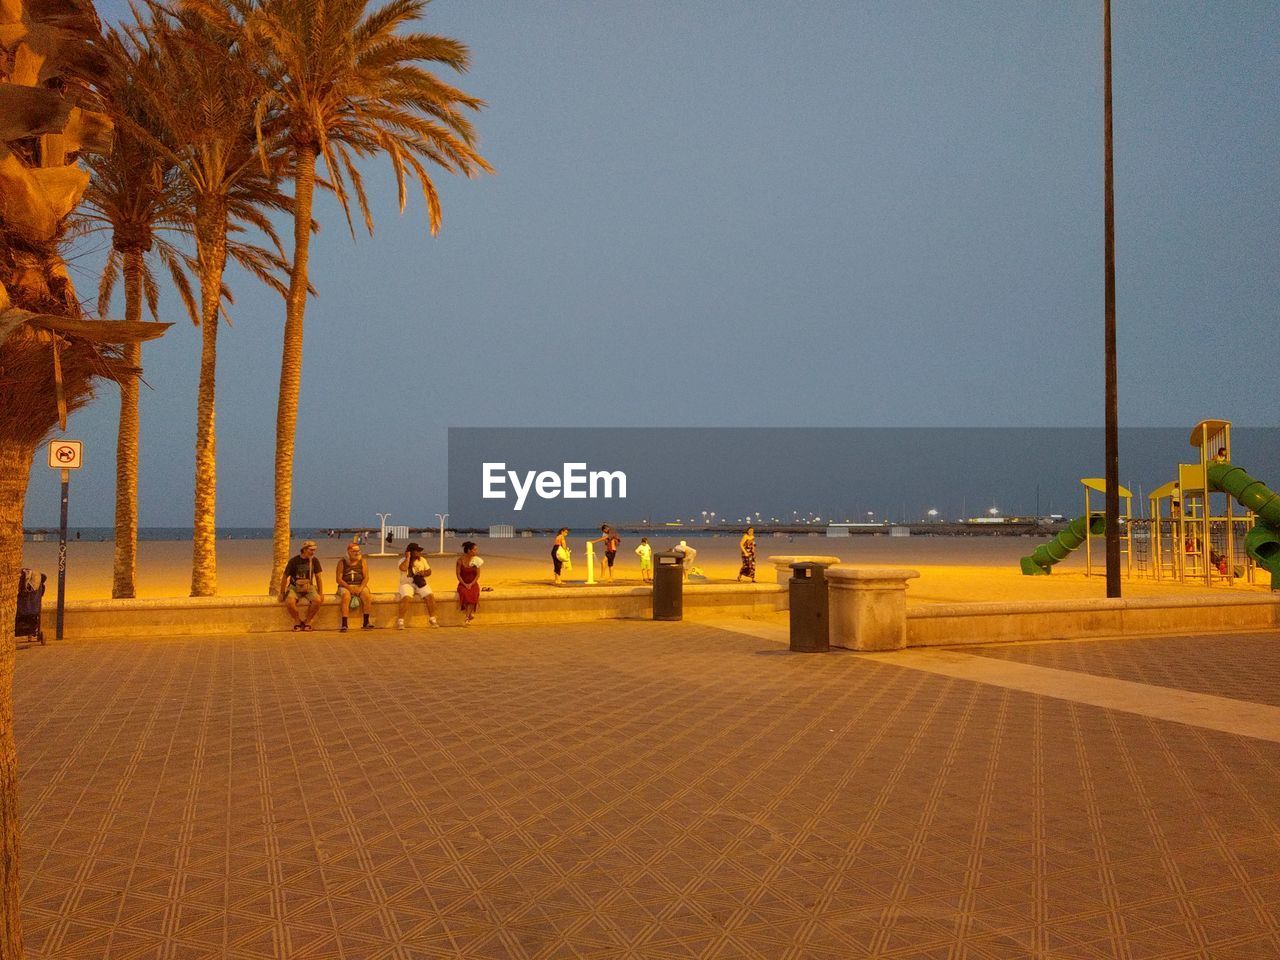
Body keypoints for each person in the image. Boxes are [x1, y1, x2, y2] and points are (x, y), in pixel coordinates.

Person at [279, 540, 324, 631]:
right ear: (304, 549)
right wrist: (282, 592)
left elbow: (318, 577)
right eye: (311, 550)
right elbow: (284, 577)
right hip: (294, 587)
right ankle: (297, 621)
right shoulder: (294, 561)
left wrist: (321, 593)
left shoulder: (314, 561)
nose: (313, 552)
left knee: (317, 601)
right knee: (290, 602)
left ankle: (308, 621)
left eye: (314, 550)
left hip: (309, 587)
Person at [397, 542, 438, 629]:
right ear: (411, 552)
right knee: (406, 597)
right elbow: (403, 568)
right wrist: (408, 558)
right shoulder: (402, 561)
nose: (419, 553)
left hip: (419, 582)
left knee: (430, 596)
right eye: (417, 551)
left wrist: (423, 573)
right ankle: (400, 620)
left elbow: (429, 571)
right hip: (407, 583)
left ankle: (432, 618)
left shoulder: (422, 560)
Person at [336, 541, 376, 631]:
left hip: (359, 585)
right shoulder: (342, 562)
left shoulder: (363, 562)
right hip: (345, 586)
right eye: (354, 551)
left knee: (367, 596)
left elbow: (366, 577)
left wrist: (360, 588)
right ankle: (344, 624)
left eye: (358, 551)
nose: (357, 553)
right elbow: (338, 579)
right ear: (349, 552)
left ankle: (366, 622)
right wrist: (349, 588)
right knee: (346, 596)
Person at [457, 541, 481, 624]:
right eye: (474, 550)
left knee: (473, 594)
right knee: (464, 593)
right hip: (463, 583)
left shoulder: (477, 561)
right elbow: (458, 575)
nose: (476, 551)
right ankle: (469, 615)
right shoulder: (460, 561)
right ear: (468, 551)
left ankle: (467, 617)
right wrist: (464, 584)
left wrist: (471, 584)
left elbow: (478, 575)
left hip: (473, 583)